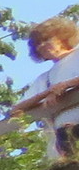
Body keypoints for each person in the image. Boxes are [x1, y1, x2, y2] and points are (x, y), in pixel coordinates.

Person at [22, 16, 79, 161]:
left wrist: (66, 85)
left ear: (62, 37)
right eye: (38, 44)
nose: (42, 46)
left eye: (46, 39)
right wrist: (48, 92)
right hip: (66, 136)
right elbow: (16, 109)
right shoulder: (45, 78)